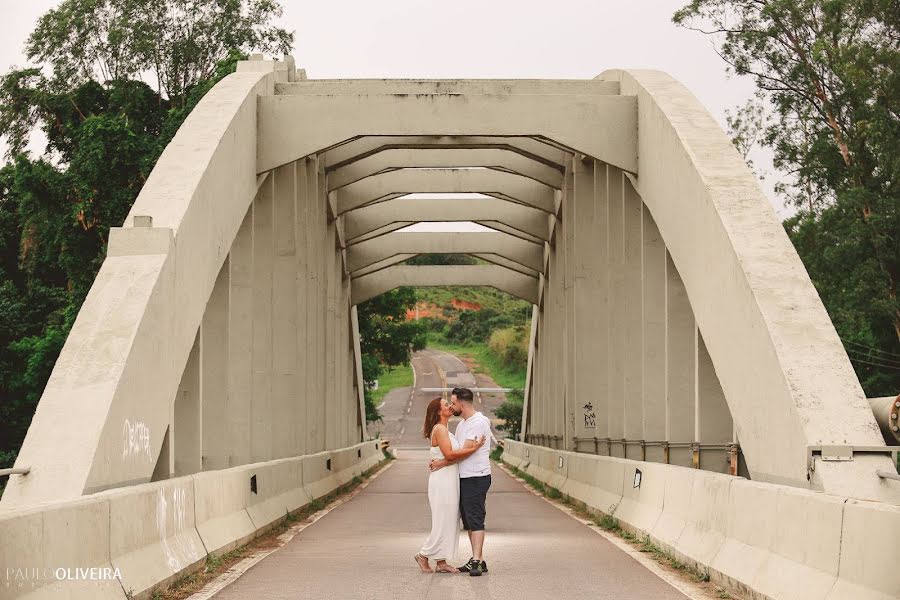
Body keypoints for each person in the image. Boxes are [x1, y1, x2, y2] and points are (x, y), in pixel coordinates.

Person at [415, 397, 485, 574]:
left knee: (449, 521)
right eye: (447, 405)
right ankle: (423, 555)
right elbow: (451, 455)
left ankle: (441, 562)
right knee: (442, 521)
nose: (450, 406)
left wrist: (442, 462)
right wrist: (474, 448)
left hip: (449, 479)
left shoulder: (445, 429)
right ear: (439, 412)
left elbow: (447, 457)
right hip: (442, 481)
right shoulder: (439, 429)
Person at [430, 387, 493, 576]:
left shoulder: (478, 423)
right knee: (469, 520)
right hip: (464, 478)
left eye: (454, 403)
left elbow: (463, 453)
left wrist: (442, 462)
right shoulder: (462, 424)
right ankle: (479, 560)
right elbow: (457, 451)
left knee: (476, 518)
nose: (452, 406)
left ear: (462, 404)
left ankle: (475, 560)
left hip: (476, 476)